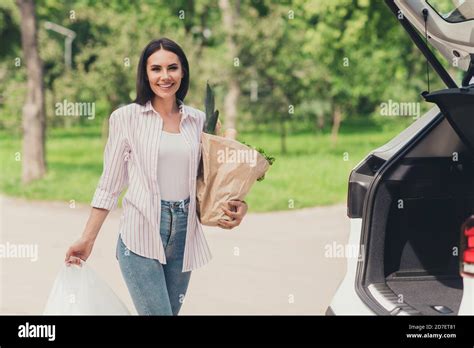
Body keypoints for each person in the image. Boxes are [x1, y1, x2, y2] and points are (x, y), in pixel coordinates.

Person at [64, 37, 248, 315]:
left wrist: (239, 206)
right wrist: (87, 239)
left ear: (183, 71)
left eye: (172, 68)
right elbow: (110, 185)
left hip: (184, 235)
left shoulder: (199, 120)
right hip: (140, 232)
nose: (165, 76)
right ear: (145, 73)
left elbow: (215, 179)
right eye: (156, 69)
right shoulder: (126, 118)